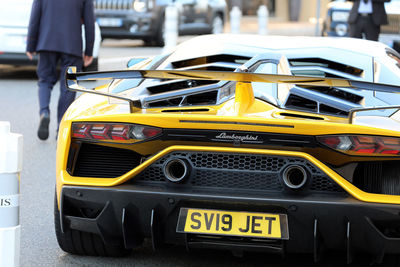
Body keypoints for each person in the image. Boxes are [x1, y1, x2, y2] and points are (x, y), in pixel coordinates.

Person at [26, 0, 95, 140]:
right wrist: (89, 49)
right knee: (68, 87)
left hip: (46, 42)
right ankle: (61, 128)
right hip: (72, 46)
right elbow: (89, 22)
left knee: (45, 80)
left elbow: (35, 16)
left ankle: (44, 112)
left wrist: (31, 44)